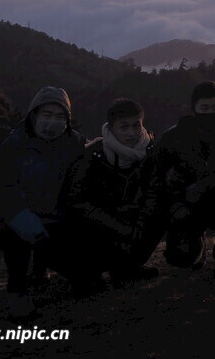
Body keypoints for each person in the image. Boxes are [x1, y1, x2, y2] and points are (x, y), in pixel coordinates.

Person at [0, 86, 89, 320]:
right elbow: (4, 192)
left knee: (85, 280)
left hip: (53, 218)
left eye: (61, 116)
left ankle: (43, 271)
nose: (53, 122)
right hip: (10, 218)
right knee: (18, 240)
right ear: (34, 115)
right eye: (47, 115)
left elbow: (91, 155)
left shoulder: (73, 144)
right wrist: (28, 225)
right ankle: (18, 292)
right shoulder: (13, 145)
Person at [151, 81, 215, 283]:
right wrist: (174, 205)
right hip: (188, 206)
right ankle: (197, 245)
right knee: (181, 258)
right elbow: (156, 177)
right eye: (204, 108)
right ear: (194, 110)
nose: (211, 113)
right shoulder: (174, 137)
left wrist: (206, 184)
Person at [61, 98, 163, 287]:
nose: (131, 133)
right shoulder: (93, 155)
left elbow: (154, 192)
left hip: (133, 219)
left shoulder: (151, 152)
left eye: (136, 125)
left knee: (159, 214)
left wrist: (139, 224)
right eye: (124, 127)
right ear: (111, 127)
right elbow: (76, 200)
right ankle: (91, 272)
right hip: (100, 224)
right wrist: (117, 225)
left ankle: (129, 267)